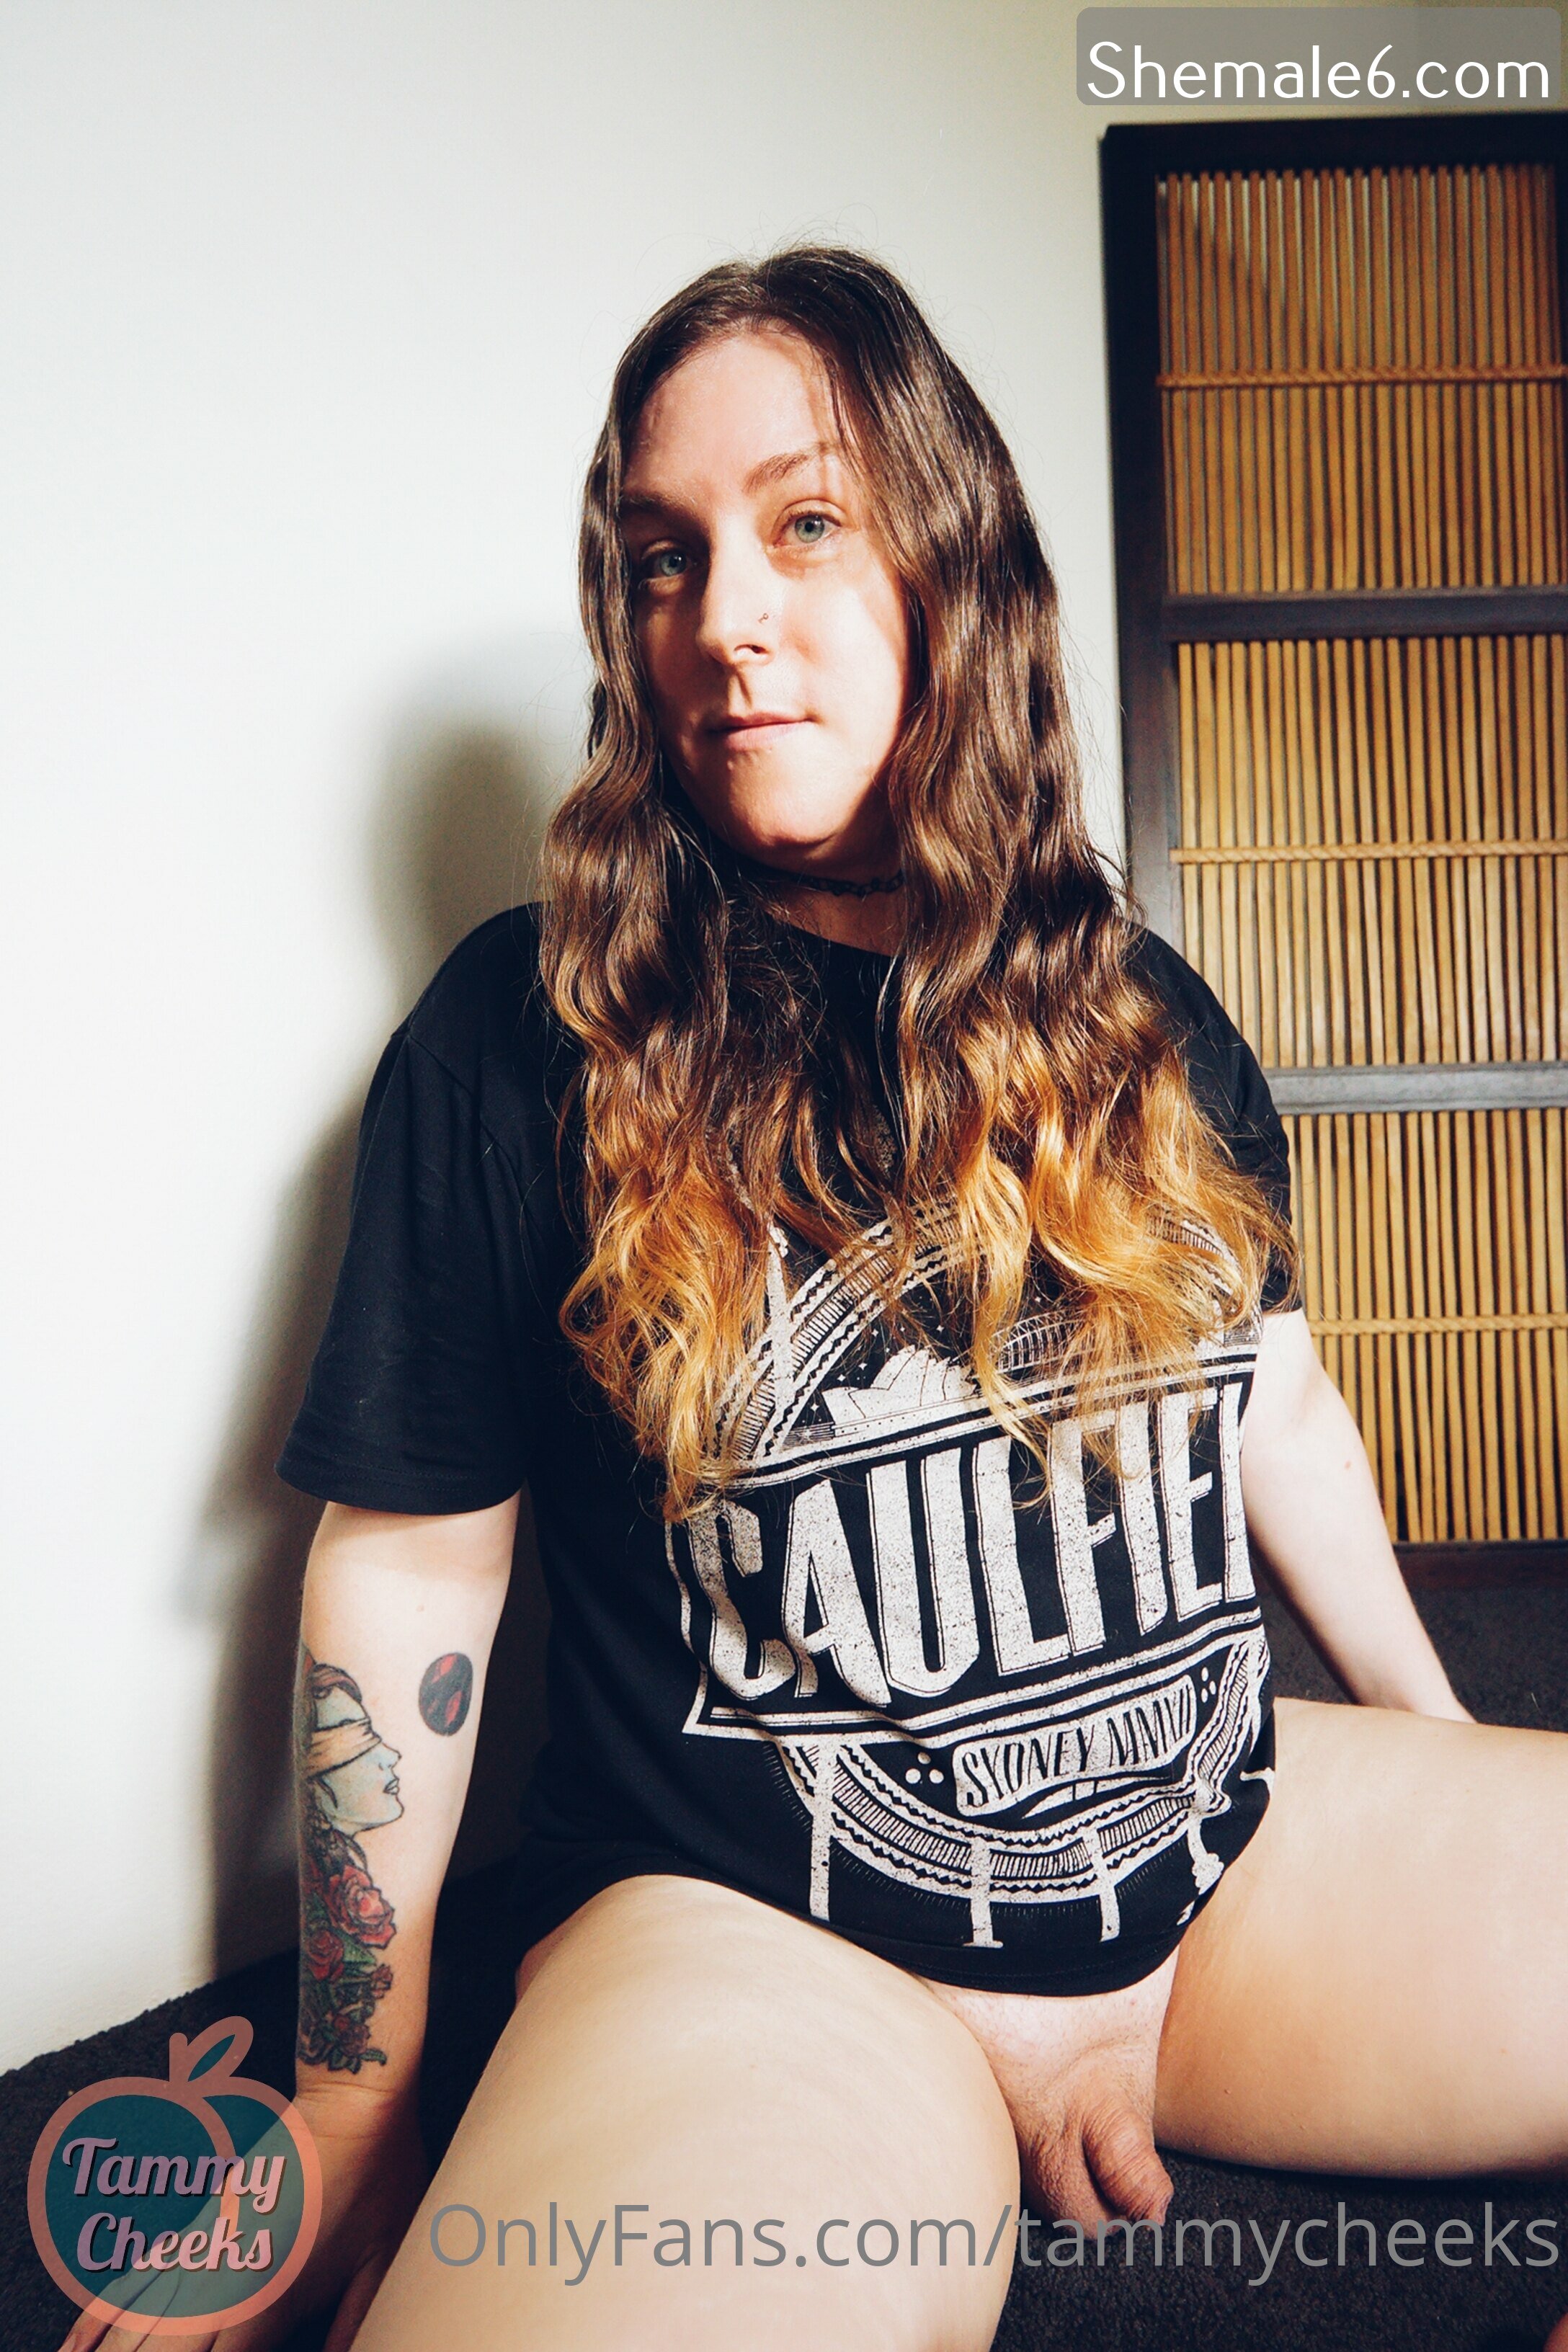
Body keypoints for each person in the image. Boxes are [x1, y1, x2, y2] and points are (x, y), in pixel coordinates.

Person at [64, 247, 1568, 2352]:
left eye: (805, 524)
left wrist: (1449, 1773)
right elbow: (408, 1576)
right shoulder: (521, 1038)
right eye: (663, 558)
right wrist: (349, 2093)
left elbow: (1280, 1416)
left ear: (952, 562)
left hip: (1219, 1864)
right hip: (776, 1947)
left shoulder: (1140, 1006)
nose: (722, 619)